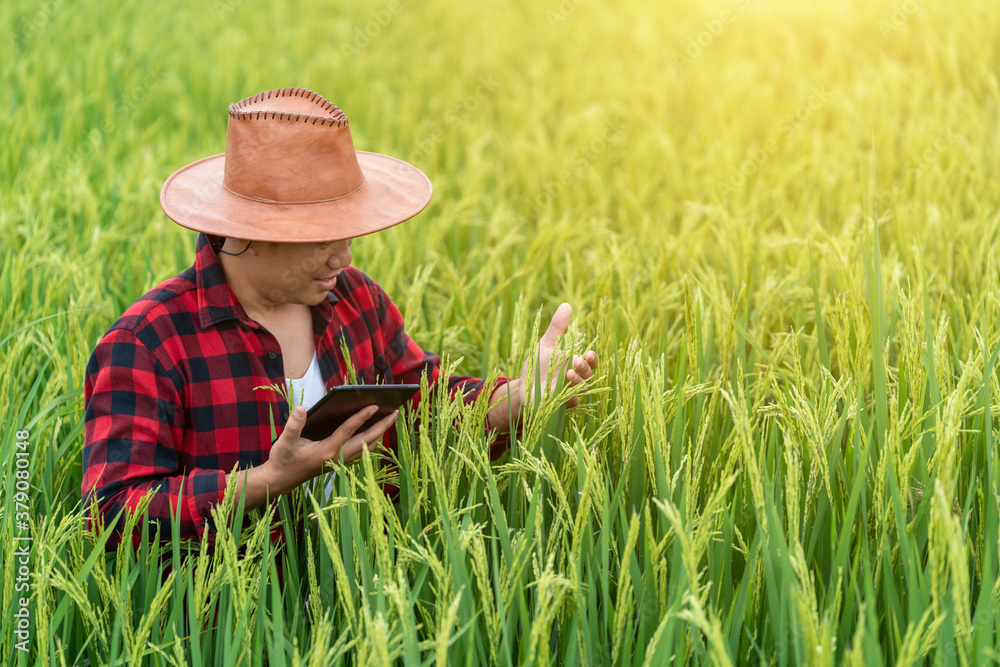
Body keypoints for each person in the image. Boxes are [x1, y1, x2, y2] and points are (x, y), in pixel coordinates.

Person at [82, 87, 599, 550]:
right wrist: (266, 481)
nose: (344, 258)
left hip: (365, 603)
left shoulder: (355, 301)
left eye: (347, 234)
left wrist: (515, 399)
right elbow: (110, 512)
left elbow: (423, 406)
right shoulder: (148, 344)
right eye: (324, 238)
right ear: (247, 233)